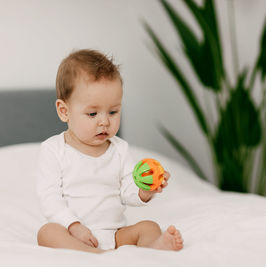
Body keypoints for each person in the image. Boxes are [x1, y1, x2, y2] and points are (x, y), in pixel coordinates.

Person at [36, 49, 183, 253]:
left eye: (113, 111)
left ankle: (155, 247)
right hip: (74, 233)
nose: (104, 121)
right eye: (93, 113)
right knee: (47, 232)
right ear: (64, 111)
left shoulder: (120, 149)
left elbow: (127, 191)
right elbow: (49, 198)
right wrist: (74, 226)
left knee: (149, 226)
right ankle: (94, 255)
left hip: (115, 233)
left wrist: (145, 190)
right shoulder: (53, 150)